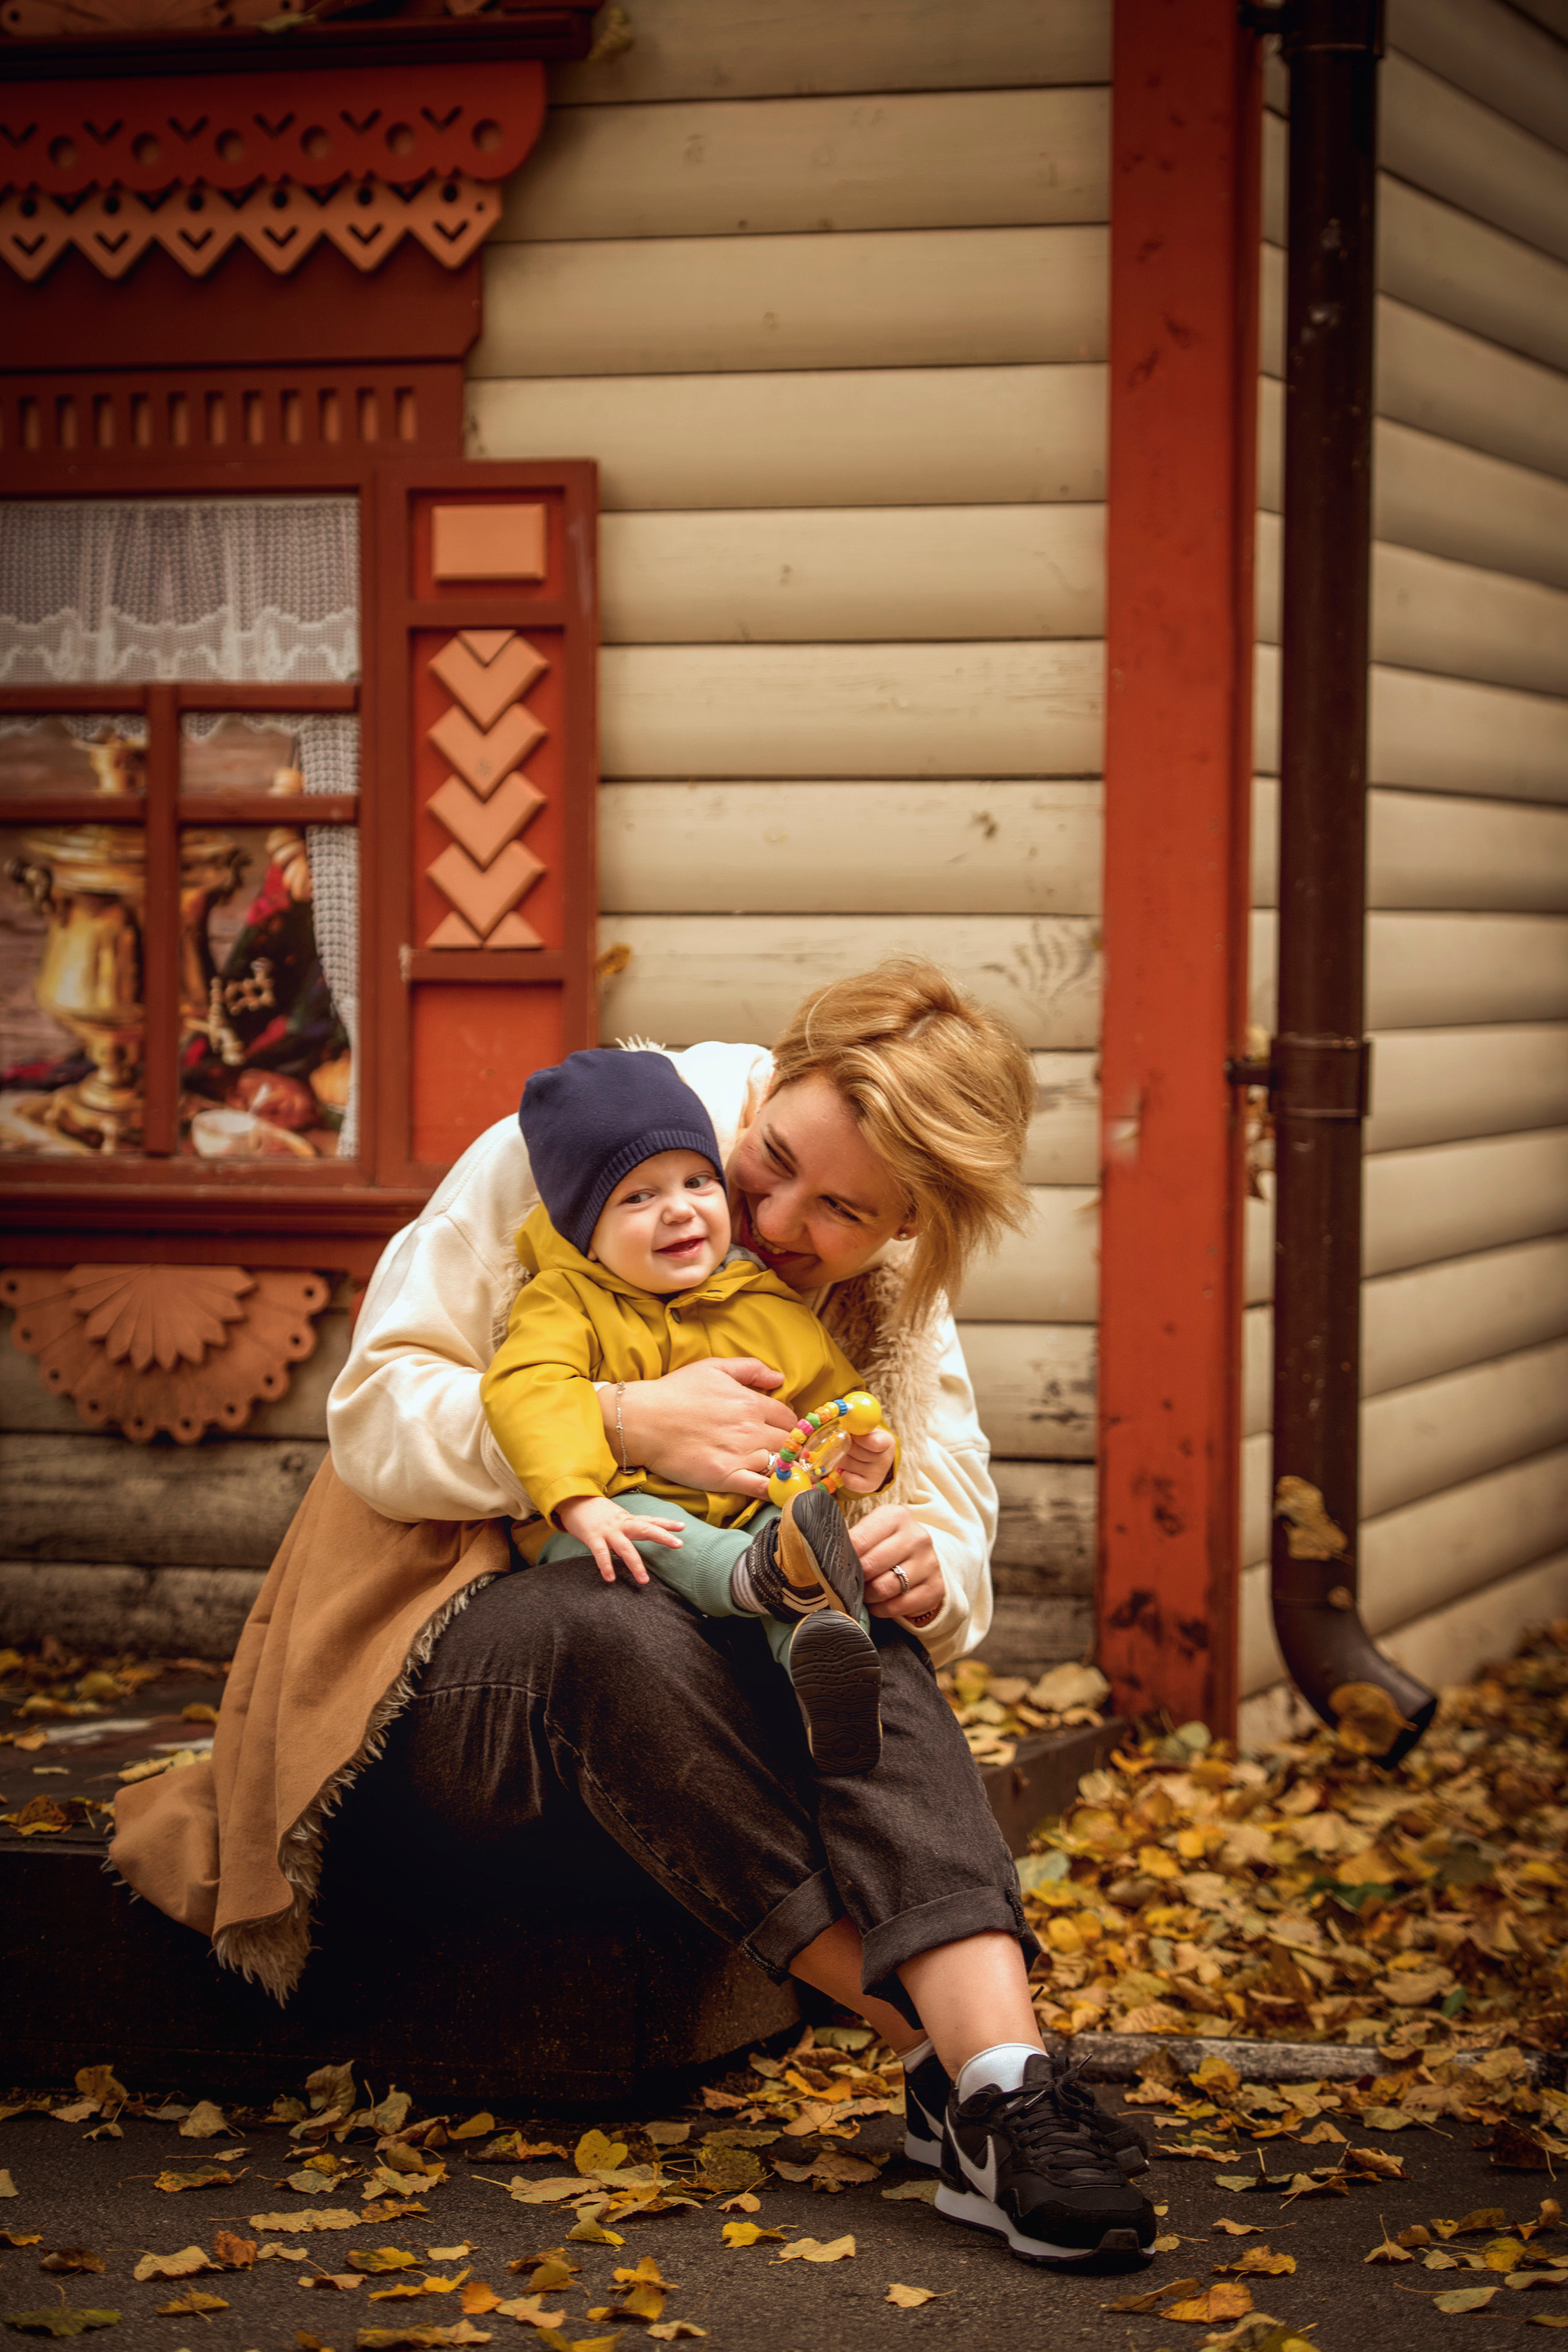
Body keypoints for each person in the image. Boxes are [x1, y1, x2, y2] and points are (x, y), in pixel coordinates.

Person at [111, 959, 1154, 2268]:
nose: (771, 1217)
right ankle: (938, 2049)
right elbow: (371, 1415)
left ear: (903, 1229)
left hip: (699, 1689)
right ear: (768, 1079)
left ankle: (995, 2093)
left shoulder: (892, 1287)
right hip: (456, 1668)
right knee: (608, 1618)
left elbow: (950, 1514)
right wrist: (611, 1423)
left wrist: (923, 1563)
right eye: (769, 1159)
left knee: (849, 1619)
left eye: (839, 1212)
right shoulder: (580, 1148)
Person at [483, 1047, 895, 1775]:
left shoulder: (763, 1301)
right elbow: (529, 1389)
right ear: (585, 1227)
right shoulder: (566, 1301)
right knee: (649, 1530)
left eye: (697, 1179)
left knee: (797, 1532)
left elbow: (829, 1403)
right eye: (637, 1197)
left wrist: (864, 1456)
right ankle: (752, 1582)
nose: (679, 1207)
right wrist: (578, 1499)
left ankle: (827, 1681)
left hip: (744, 1512)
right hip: (609, 1523)